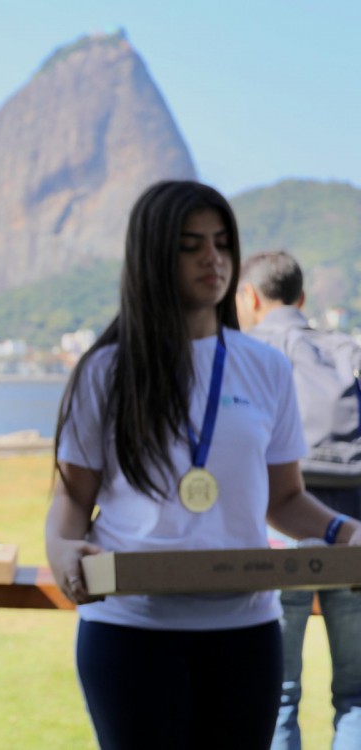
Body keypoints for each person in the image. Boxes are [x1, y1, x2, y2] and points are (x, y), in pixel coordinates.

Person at [46, 180, 361, 750]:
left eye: (221, 243)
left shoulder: (264, 367)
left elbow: (284, 499)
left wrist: (344, 531)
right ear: (151, 259)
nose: (212, 259)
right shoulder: (105, 372)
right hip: (129, 631)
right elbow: (71, 498)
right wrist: (62, 550)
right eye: (190, 245)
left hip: (245, 633)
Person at [237, 250, 361, 750]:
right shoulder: (345, 348)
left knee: (277, 696)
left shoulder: (245, 354)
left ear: (249, 297)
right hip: (353, 530)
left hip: (275, 534)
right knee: (356, 695)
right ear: (302, 299)